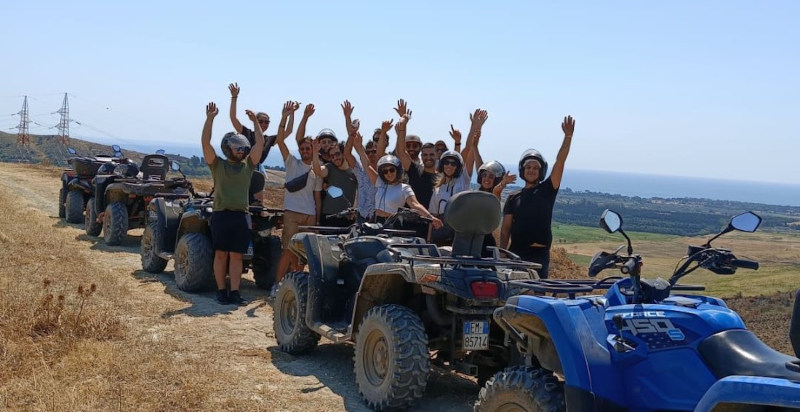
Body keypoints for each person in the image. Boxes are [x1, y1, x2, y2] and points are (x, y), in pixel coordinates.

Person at [201, 102, 265, 306]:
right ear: (228, 148)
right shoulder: (217, 165)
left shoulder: (248, 166)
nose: (241, 150)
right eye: (237, 147)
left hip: (241, 216)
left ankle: (235, 292)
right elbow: (205, 143)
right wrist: (210, 119)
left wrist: (255, 122)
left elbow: (260, 144)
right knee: (221, 254)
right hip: (221, 215)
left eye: (243, 147)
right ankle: (222, 291)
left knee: (237, 256)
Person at [500, 115, 576, 278]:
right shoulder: (513, 197)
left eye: (536, 167)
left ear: (541, 171)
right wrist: (502, 252)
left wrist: (567, 137)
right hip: (516, 254)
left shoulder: (548, 189)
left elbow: (560, 161)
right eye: (528, 167)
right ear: (522, 170)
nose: (532, 170)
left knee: (537, 293)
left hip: (539, 254)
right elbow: (505, 229)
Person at [274, 101, 323, 298]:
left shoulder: (317, 170)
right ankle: (277, 285)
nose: (305, 151)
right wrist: (286, 116)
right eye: (302, 148)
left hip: (309, 216)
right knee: (288, 251)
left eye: (308, 149)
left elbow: (317, 197)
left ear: (313, 150)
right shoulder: (291, 163)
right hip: (292, 213)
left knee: (303, 255)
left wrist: (317, 221)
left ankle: (296, 287)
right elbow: (280, 140)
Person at [353, 125, 442, 231]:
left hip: (392, 226)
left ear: (398, 170)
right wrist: (359, 148)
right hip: (376, 223)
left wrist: (430, 217)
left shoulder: (405, 188)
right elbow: (367, 166)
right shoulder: (380, 182)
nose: (388, 173)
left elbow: (415, 205)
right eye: (385, 171)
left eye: (392, 170)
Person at [228, 83, 277, 166]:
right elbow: (233, 118)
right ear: (255, 120)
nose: (263, 124)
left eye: (266, 122)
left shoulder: (269, 139)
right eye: (260, 121)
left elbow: (287, 131)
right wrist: (234, 98)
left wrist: (289, 115)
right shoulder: (247, 133)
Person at [312, 139, 358, 227]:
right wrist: (315, 152)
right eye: (332, 156)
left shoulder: (354, 172)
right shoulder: (330, 168)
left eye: (337, 154)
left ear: (344, 153)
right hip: (328, 217)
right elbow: (317, 170)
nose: (335, 158)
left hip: (347, 218)